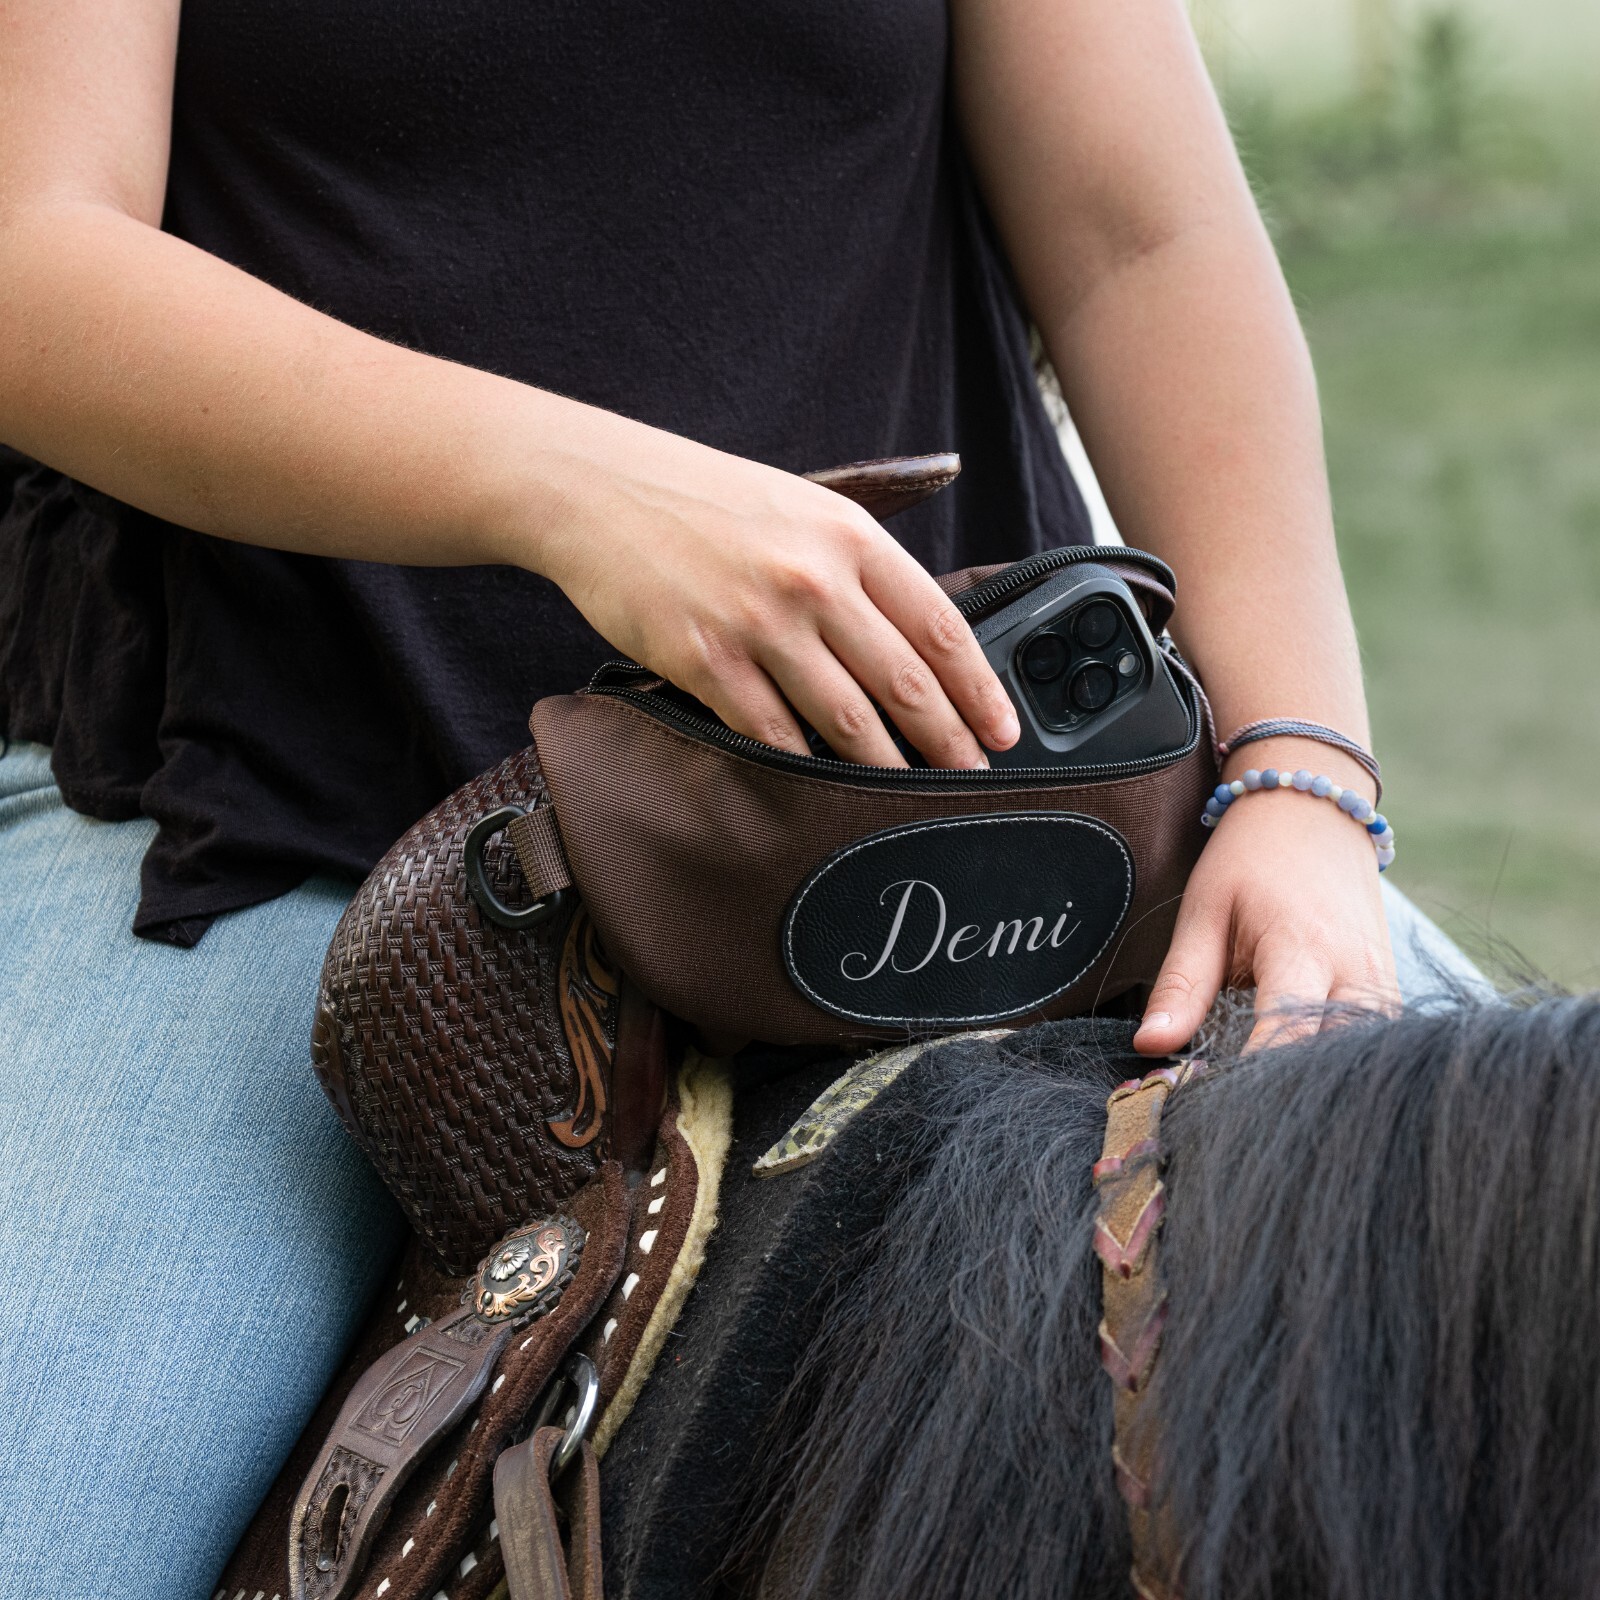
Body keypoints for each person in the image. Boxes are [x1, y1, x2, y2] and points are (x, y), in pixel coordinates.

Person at [0, 0, 1482, 1593]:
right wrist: (579, 491)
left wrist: (1303, 776)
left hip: (985, 826)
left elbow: (1149, 240)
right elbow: (33, 254)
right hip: (283, 823)